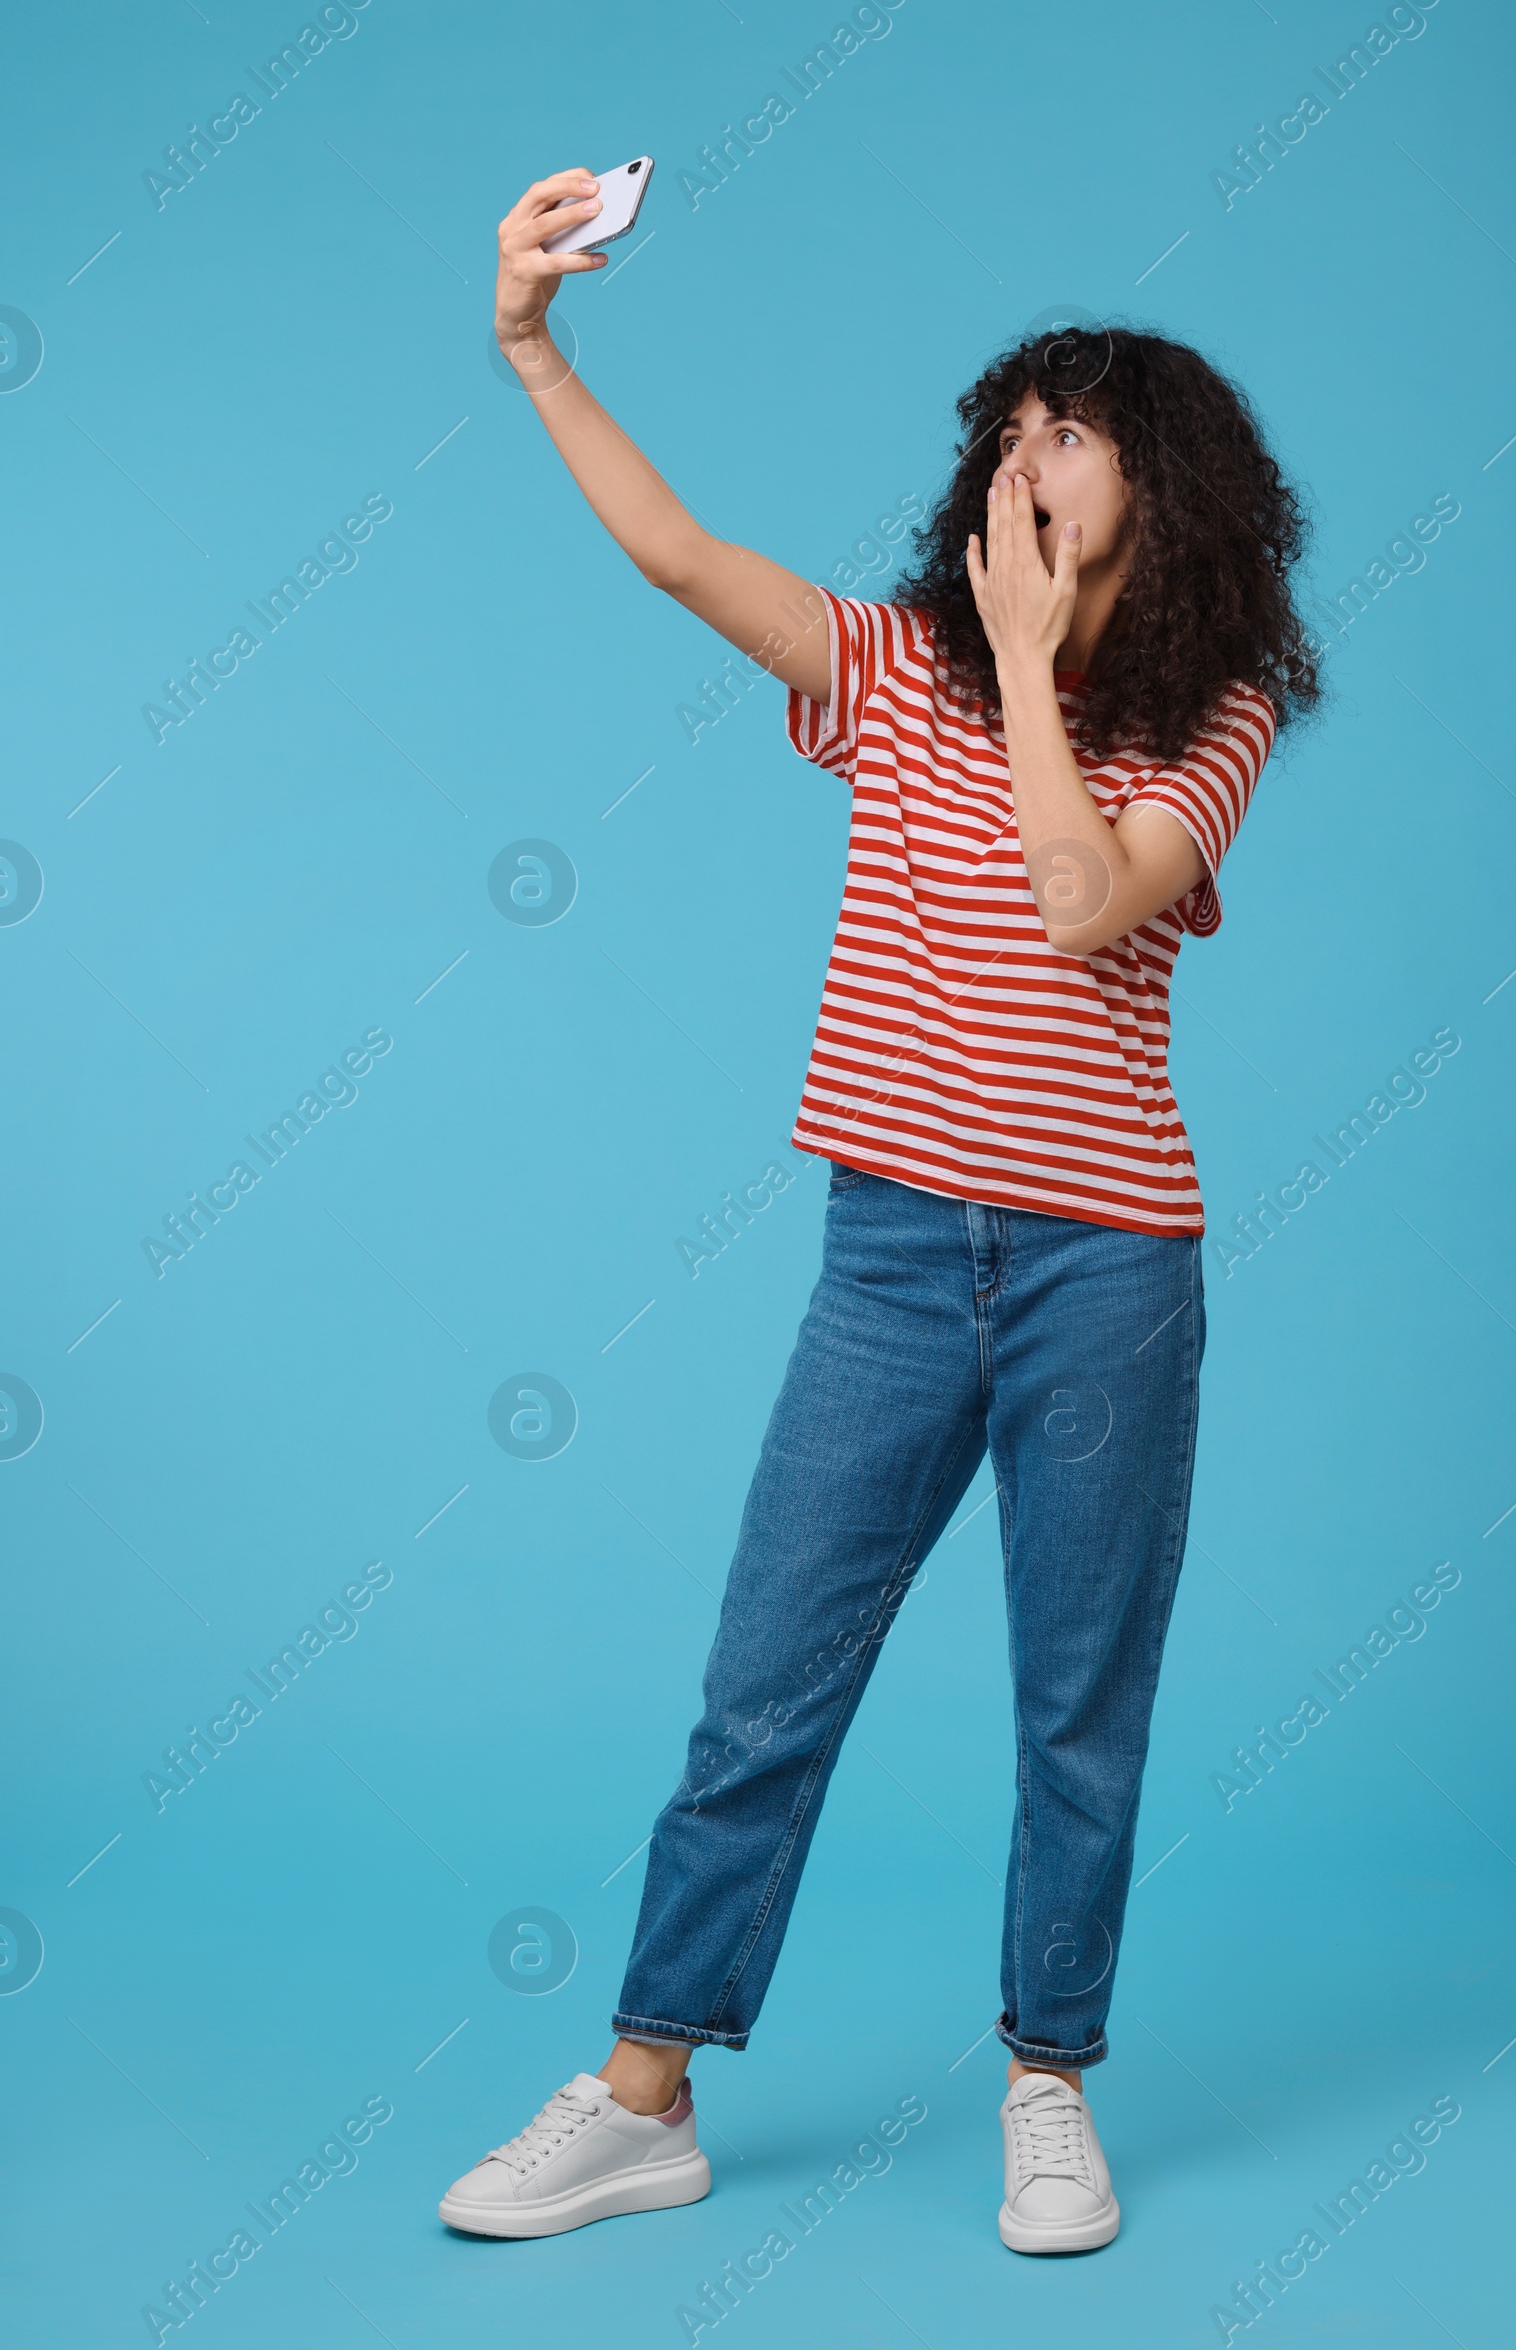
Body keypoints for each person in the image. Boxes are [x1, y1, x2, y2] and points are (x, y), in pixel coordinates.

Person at [439, 166, 1319, 2255]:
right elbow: (672, 554)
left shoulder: (1218, 709)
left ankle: (1045, 2082)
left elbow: (1083, 894)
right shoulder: (889, 667)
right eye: (1006, 427)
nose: (1022, 458)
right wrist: (528, 340)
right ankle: (646, 2087)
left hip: (1109, 1273)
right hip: (895, 1262)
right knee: (768, 1678)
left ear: (1159, 493)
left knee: (1073, 1701)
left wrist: (1022, 667)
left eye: (1069, 433)